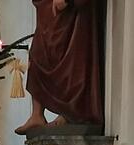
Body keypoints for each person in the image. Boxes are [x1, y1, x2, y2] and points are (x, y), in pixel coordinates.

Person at [15, 0, 105, 134]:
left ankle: (69, 114)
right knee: (38, 53)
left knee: (71, 57)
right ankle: (37, 115)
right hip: (46, 7)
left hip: (70, 11)